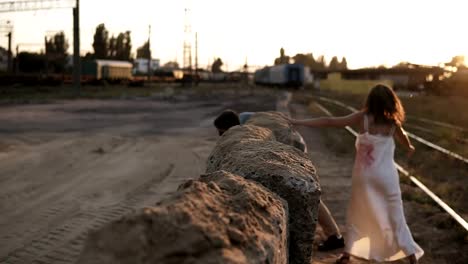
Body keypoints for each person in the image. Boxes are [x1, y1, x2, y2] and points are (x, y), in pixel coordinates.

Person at [288, 84, 424, 264]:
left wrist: (298, 122)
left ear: (371, 100)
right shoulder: (393, 124)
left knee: (358, 212)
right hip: (387, 177)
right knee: (395, 215)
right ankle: (411, 256)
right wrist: (410, 148)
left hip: (364, 176)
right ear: (391, 102)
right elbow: (405, 140)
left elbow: (330, 122)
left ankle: (347, 254)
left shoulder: (363, 118)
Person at [213, 109, 345, 251]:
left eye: (222, 132)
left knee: (304, 191)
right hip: (289, 142)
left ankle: (334, 236)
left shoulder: (246, 128)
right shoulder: (245, 117)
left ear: (231, 127)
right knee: (301, 191)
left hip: (291, 146)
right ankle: (332, 234)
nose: (221, 136)